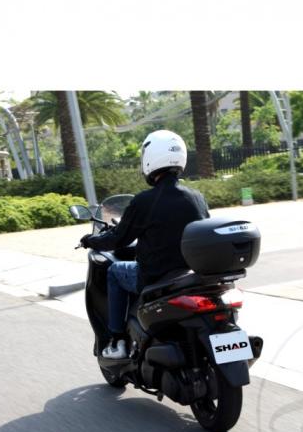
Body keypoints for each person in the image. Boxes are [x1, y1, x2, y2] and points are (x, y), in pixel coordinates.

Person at [80, 130, 210, 359]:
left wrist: (90, 240)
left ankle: (118, 340)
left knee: (115, 271)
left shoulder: (145, 200)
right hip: (190, 274)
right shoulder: (196, 196)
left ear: (150, 158)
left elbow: (118, 239)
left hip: (155, 276)